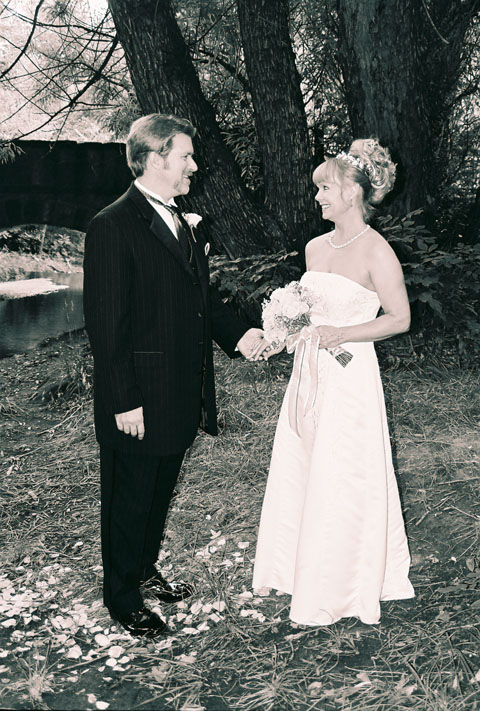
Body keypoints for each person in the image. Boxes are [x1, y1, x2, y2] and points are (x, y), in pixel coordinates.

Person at [83, 113, 267, 638]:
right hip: (138, 395)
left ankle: (144, 569)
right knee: (129, 496)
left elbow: (198, 298)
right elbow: (106, 325)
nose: (194, 165)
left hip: (179, 389)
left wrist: (240, 335)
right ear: (154, 158)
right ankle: (122, 598)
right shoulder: (112, 225)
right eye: (185, 156)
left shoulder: (183, 220)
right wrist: (124, 399)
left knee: (159, 487)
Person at [253, 138, 415, 625]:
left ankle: (344, 582)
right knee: (306, 461)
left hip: (350, 375)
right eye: (318, 188)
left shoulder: (377, 251)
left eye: (325, 187)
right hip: (308, 371)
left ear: (352, 192)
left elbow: (400, 318)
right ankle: (297, 568)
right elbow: (311, 313)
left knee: (344, 468)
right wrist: (282, 334)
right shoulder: (314, 248)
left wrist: (343, 333)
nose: (318, 196)